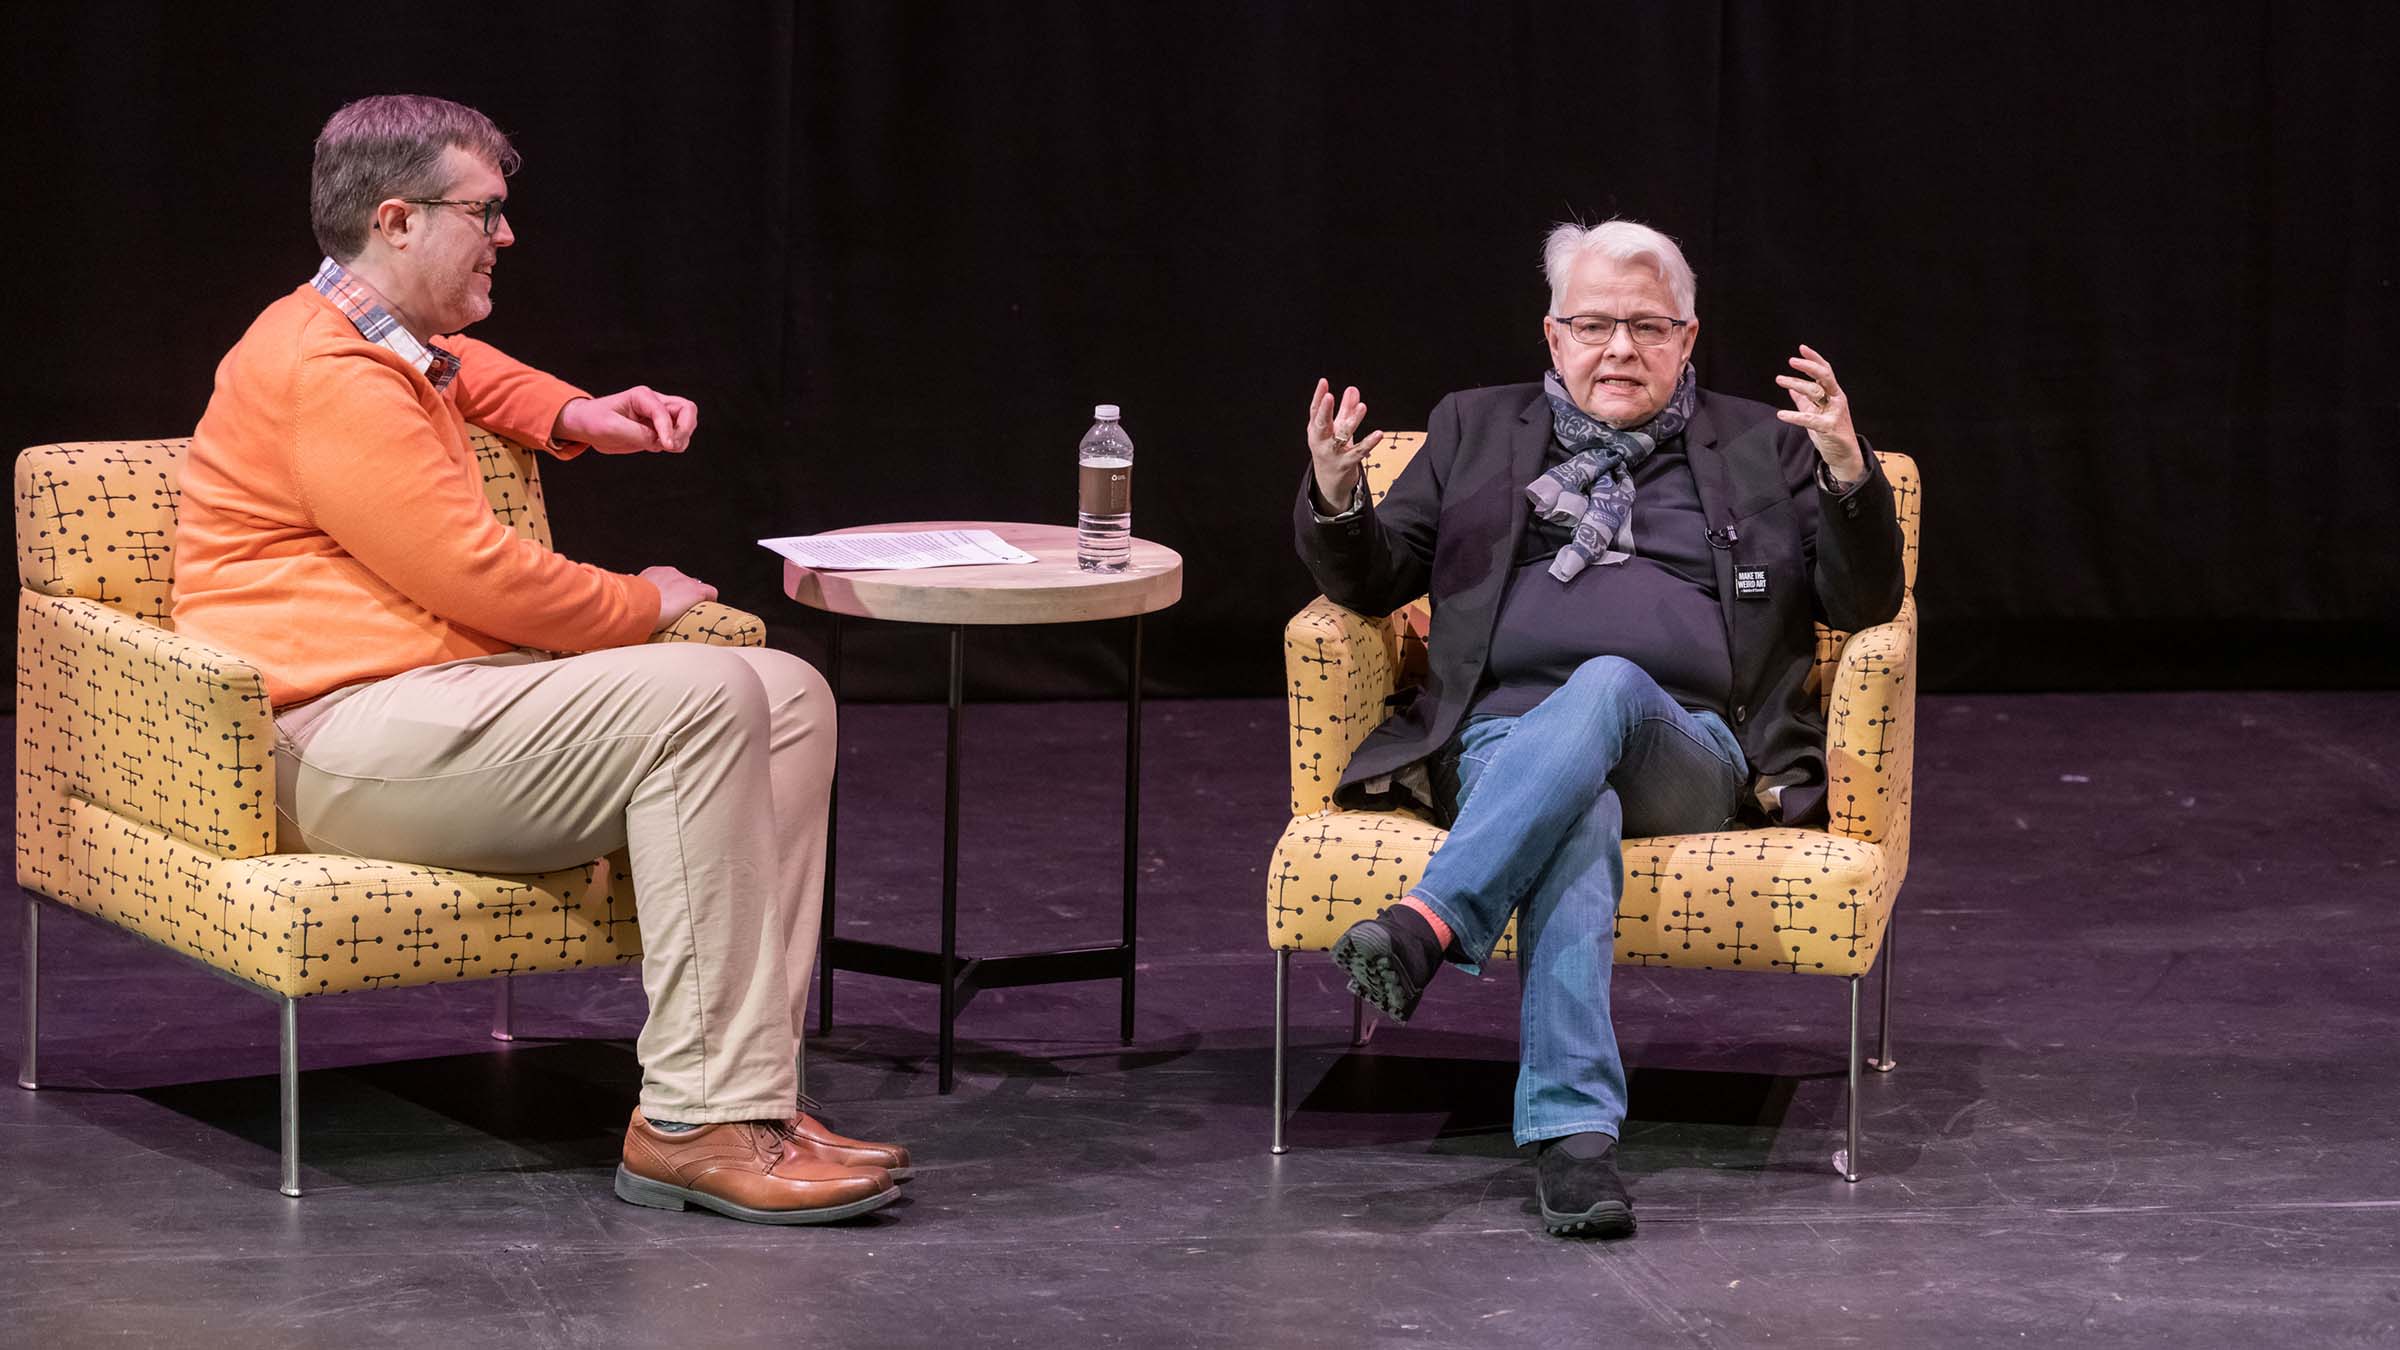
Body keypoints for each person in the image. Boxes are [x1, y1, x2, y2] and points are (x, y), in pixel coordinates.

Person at [172, 94, 911, 1226]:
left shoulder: (374, 333)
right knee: (708, 688)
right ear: (399, 219)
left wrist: (576, 414)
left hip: (437, 710)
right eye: (489, 212)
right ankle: (691, 1122)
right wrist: (642, 602)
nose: (507, 236)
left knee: (789, 694)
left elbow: (462, 370)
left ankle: (754, 1091)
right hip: (336, 738)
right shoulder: (324, 370)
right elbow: (475, 574)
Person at [1295, 219, 1905, 1239]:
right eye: (1593, 325)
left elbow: (1866, 600)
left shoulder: (1766, 446)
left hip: (1696, 748)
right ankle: (1577, 1147)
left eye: (1647, 327)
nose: (1619, 349)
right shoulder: (1472, 431)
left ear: (1688, 336)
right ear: (1552, 335)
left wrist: (1847, 474)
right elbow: (1372, 578)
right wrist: (1335, 492)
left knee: (1611, 681)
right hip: (1500, 741)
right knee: (1578, 814)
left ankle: (1428, 923)